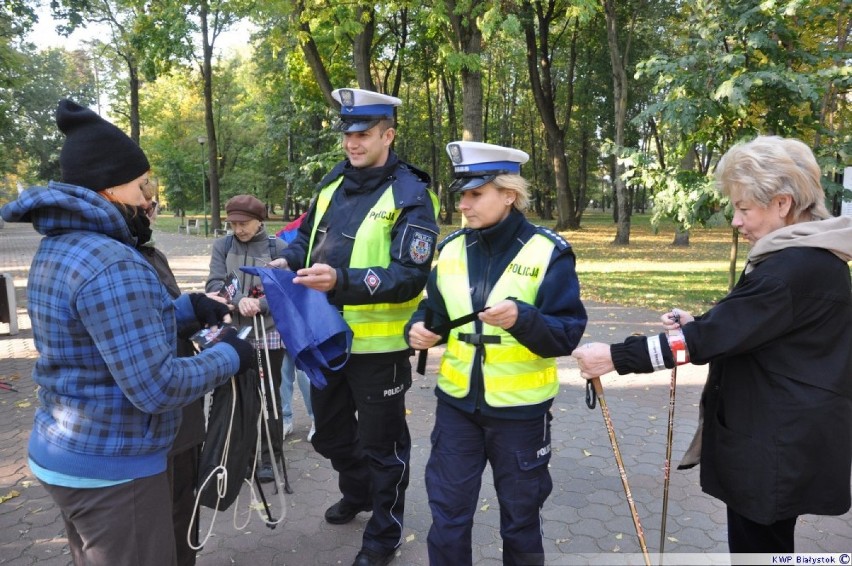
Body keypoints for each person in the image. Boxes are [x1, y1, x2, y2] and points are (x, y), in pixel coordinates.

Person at [0, 99, 254, 566]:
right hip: (114, 467)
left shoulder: (62, 246)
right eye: (142, 186)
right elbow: (157, 387)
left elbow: (96, 336)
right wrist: (232, 355)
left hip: (67, 454)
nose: (149, 199)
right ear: (110, 189)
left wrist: (185, 309)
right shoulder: (114, 262)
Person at [571, 135, 852, 554]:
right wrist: (699, 323)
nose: (735, 221)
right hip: (783, 438)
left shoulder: (792, 268)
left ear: (782, 203)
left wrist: (614, 357)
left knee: (760, 551)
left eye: (743, 208)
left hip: (774, 446)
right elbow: (748, 327)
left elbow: (706, 341)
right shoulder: (804, 257)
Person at [268, 87, 439, 566]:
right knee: (331, 436)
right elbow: (303, 240)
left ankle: (385, 533)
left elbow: (410, 275)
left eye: (363, 133)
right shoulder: (331, 183)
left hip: (378, 348)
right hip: (322, 336)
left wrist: (340, 280)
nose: (352, 142)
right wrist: (284, 261)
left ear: (388, 134)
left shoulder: (410, 194)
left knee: (383, 448)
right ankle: (359, 491)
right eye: (347, 133)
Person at [405, 141, 587, 566]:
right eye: (461, 194)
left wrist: (522, 319)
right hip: (456, 410)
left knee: (520, 521)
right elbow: (431, 312)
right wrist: (416, 329)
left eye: (475, 194)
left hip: (521, 415)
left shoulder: (548, 251)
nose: (464, 205)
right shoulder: (450, 249)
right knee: (448, 516)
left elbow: (566, 335)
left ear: (508, 194)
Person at [137, 185, 206, 566]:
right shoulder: (115, 262)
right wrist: (226, 359)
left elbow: (166, 319)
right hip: (147, 429)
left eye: (154, 206)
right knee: (154, 525)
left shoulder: (152, 254)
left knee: (184, 511)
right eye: (142, 204)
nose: (149, 213)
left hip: (182, 420)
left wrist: (199, 314)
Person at [205, 194, 288, 483]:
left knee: (269, 395)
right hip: (235, 331)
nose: (238, 229)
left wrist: (261, 305)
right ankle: (244, 454)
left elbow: (286, 290)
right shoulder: (223, 246)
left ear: (259, 220)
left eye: (244, 223)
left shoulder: (278, 247)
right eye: (233, 224)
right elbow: (214, 283)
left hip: (269, 331)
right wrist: (239, 301)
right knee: (239, 395)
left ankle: (270, 455)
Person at [281, 352, 315, 440]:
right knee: (283, 375)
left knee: (304, 376)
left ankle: (316, 419)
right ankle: (286, 420)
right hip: (282, 341)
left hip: (303, 341)